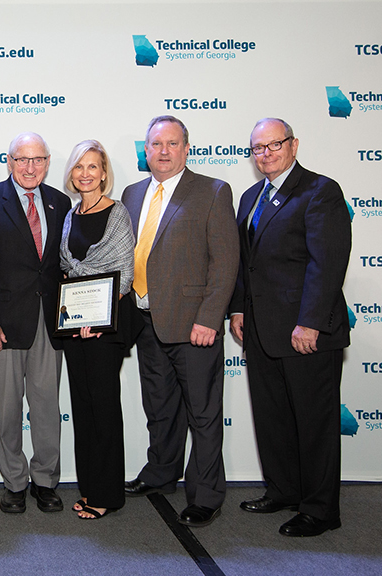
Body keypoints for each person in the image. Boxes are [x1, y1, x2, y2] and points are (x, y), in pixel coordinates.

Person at [229, 118, 351, 537]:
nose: (265, 154)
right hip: (261, 331)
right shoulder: (250, 198)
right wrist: (238, 311)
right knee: (274, 417)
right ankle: (283, 491)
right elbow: (247, 264)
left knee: (313, 422)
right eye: (257, 148)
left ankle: (320, 509)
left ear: (293, 145)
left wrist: (310, 323)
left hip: (305, 333)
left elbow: (327, 264)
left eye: (273, 145)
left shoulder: (320, 191)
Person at [120, 115, 238, 527]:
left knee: (203, 414)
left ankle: (205, 495)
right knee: (160, 407)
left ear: (186, 149)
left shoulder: (212, 191)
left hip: (193, 327)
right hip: (146, 320)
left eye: (172, 144)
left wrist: (209, 318)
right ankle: (160, 473)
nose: (164, 151)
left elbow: (225, 263)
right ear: (146, 150)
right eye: (156, 144)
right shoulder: (133, 193)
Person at [0, 132, 71, 514]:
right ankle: (14, 482)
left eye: (38, 160)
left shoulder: (61, 203)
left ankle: (45, 480)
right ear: (9, 162)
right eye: (22, 160)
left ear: (47, 162)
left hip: (49, 322)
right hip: (3, 324)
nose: (30, 167)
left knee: (46, 407)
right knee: (7, 409)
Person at [58, 140, 137, 520]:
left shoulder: (117, 213)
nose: (86, 174)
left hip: (106, 328)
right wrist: (78, 318)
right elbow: (68, 268)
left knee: (104, 409)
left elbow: (123, 273)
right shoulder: (71, 215)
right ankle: (88, 486)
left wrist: (97, 319)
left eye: (93, 167)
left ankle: (106, 494)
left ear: (104, 173)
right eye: (79, 167)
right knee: (83, 407)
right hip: (74, 327)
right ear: (72, 174)